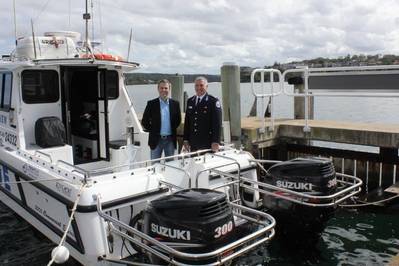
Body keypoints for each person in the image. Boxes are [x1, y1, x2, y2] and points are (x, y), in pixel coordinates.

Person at [142, 79, 181, 159]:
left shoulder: (175, 104)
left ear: (169, 89)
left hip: (170, 140)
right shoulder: (151, 104)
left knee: (170, 165)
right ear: (158, 89)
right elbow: (144, 121)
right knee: (155, 166)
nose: (164, 90)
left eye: (166, 88)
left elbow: (178, 120)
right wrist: (154, 130)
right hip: (156, 140)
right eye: (161, 88)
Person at [183, 76, 222, 152]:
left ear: (206, 87)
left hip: (207, 142)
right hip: (193, 142)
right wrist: (185, 139)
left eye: (201, 85)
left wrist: (216, 141)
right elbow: (187, 123)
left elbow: (217, 123)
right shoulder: (190, 101)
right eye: (196, 85)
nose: (199, 88)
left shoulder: (213, 101)